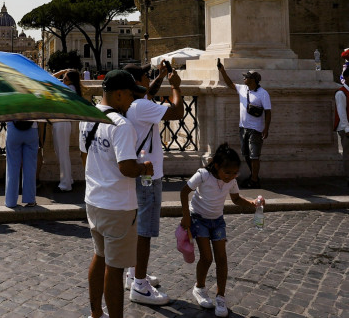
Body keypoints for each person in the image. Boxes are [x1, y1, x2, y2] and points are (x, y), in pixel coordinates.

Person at [80, 70, 153, 318]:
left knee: (99, 257)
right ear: (119, 93)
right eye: (131, 95)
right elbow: (127, 168)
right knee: (115, 267)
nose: (133, 101)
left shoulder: (86, 118)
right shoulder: (122, 126)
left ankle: (95, 313)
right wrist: (144, 168)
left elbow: (84, 157)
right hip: (118, 206)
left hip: (94, 200)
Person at [121, 64, 184, 306]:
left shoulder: (132, 103)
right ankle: (139, 285)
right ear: (137, 82)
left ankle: (132, 273)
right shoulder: (143, 107)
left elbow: (150, 92)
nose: (150, 80)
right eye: (146, 76)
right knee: (144, 230)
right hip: (148, 175)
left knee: (136, 225)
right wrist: (176, 85)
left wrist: (159, 77)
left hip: (136, 170)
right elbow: (178, 112)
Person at [180, 143, 260, 317]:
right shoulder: (203, 175)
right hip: (199, 219)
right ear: (217, 166)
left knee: (222, 259)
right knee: (207, 257)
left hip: (217, 221)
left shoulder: (231, 181)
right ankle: (199, 287)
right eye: (227, 172)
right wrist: (186, 217)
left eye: (234, 173)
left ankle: (221, 297)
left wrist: (252, 204)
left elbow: (236, 199)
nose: (231, 176)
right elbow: (184, 191)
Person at [218, 64, 271, 187]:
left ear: (253, 80)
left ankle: (253, 180)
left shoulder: (263, 93)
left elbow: (268, 112)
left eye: (246, 77)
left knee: (254, 156)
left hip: (256, 129)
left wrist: (266, 128)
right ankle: (254, 177)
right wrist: (222, 71)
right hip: (243, 127)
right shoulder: (243, 89)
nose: (243, 79)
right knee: (246, 154)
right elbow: (229, 83)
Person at [51, 69, 84, 192]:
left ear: (70, 80)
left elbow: (49, 79)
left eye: (65, 78)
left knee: (62, 153)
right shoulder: (70, 89)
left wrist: (61, 72)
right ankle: (67, 179)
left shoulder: (69, 89)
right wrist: (63, 72)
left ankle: (66, 183)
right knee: (61, 153)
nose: (62, 80)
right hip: (61, 122)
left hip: (62, 123)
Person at [4, 120, 43, 208]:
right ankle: (30, 200)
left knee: (12, 167)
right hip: (32, 129)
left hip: (13, 129)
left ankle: (10, 201)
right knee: (30, 167)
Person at [335, 65, 349, 187]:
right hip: (346, 129)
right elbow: (341, 112)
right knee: (347, 153)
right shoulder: (341, 93)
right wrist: (347, 128)